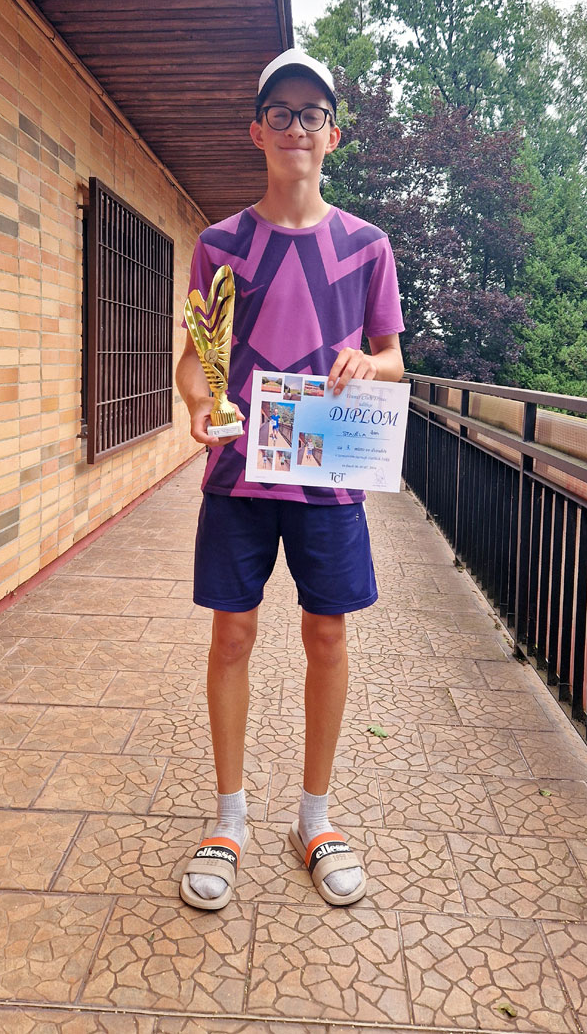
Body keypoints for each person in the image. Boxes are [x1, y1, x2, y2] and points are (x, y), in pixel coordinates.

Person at [175, 48, 404, 910]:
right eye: (281, 113)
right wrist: (198, 403)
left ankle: (315, 818)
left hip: (330, 476)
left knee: (327, 637)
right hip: (238, 472)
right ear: (257, 131)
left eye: (312, 114)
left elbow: (392, 356)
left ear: (333, 135)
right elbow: (194, 361)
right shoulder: (219, 246)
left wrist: (367, 365)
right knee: (231, 636)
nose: (296, 127)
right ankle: (228, 818)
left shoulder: (367, 247)